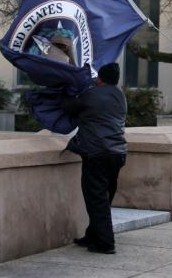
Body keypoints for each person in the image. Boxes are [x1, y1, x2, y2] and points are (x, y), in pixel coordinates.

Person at [62, 62, 127, 254]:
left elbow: (68, 108)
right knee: (104, 197)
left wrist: (67, 88)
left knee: (96, 198)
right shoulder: (120, 96)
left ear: (100, 78)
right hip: (118, 153)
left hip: (97, 153)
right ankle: (93, 235)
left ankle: (105, 243)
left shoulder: (92, 94)